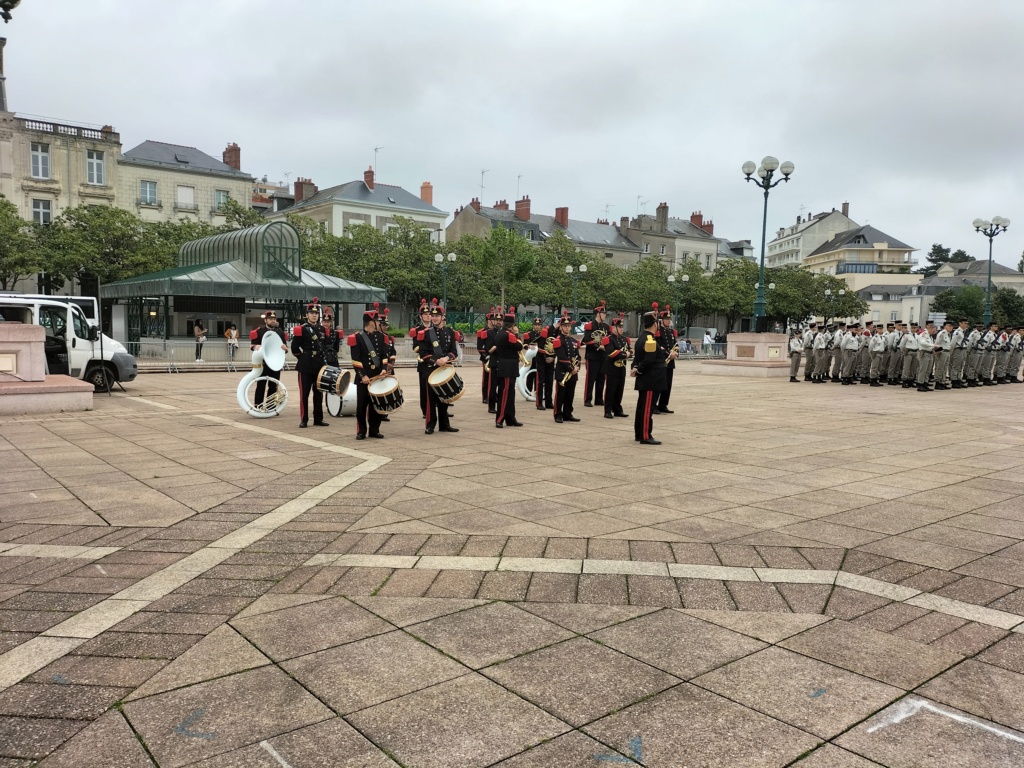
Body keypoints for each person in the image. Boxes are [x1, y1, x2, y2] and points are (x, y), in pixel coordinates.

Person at [417, 299, 460, 434]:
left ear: (443, 317)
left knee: (445, 397)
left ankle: (444, 424)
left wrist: (446, 358)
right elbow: (423, 353)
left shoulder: (450, 332)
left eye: (437, 316)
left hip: (444, 368)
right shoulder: (425, 333)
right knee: (431, 399)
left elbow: (454, 351)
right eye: (433, 316)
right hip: (430, 369)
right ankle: (430, 425)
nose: (434, 318)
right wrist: (436, 361)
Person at [348, 304, 386, 440]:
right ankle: (361, 431)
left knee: (377, 405)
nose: (379, 324)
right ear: (371, 322)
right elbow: (356, 360)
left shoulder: (381, 337)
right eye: (377, 321)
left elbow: (384, 356)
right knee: (361, 406)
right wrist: (362, 375)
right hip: (363, 378)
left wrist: (383, 369)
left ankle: (374, 430)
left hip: (377, 377)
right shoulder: (358, 338)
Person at [632, 305, 668, 445]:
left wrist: (636, 368)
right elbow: (649, 360)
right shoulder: (650, 339)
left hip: (647, 379)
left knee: (642, 408)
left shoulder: (642, 338)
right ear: (654, 324)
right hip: (651, 380)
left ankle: (639, 433)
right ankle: (645, 435)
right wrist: (639, 370)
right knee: (647, 409)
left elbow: (638, 358)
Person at [291, 299, 328, 428]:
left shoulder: (322, 329)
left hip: (319, 365)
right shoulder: (301, 329)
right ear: (306, 315)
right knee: (304, 394)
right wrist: (303, 358)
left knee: (318, 393)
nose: (314, 315)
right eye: (311, 313)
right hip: (306, 365)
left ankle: (318, 419)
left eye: (316, 313)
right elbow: (294, 348)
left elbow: (326, 346)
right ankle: (304, 419)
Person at [490, 308, 524, 428]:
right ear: (512, 325)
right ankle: (500, 418)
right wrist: (516, 334)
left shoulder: (501, 333)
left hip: (508, 367)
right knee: (505, 394)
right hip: (507, 367)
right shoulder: (509, 335)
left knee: (510, 394)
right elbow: (519, 346)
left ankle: (510, 418)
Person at [249, 311, 287, 409]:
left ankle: (271, 406)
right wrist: (256, 346)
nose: (273, 321)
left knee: (273, 385)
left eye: (274, 319)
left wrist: (285, 349)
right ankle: (258, 405)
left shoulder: (280, 332)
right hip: (263, 362)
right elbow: (252, 346)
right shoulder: (259, 331)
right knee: (261, 385)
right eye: (270, 319)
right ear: (265, 320)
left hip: (275, 363)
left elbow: (283, 348)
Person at [551, 314, 581, 423]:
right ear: (561, 327)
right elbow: (562, 357)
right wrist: (570, 368)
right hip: (563, 371)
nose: (567, 328)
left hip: (572, 372)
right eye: (565, 326)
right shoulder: (558, 340)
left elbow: (578, 356)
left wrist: (577, 367)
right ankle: (558, 414)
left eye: (569, 326)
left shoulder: (573, 340)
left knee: (570, 394)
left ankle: (567, 413)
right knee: (560, 395)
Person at [582, 301, 610, 408]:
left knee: (601, 378)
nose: (605, 315)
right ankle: (588, 399)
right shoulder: (590, 325)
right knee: (591, 378)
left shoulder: (606, 327)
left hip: (603, 356)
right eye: (603, 313)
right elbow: (587, 340)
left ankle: (599, 399)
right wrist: (599, 345)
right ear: (598, 313)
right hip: (592, 356)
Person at [601, 313, 630, 418]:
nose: (621, 329)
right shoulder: (608, 339)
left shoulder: (624, 339)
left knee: (619, 390)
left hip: (621, 367)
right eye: (619, 327)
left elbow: (630, 350)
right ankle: (607, 410)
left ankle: (617, 409)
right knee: (610, 390)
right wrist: (623, 354)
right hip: (611, 368)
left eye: (622, 327)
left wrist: (629, 353)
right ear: (613, 328)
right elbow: (611, 353)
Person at [655, 304, 678, 413]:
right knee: (659, 383)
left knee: (668, 384)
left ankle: (663, 404)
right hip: (662, 361)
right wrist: (668, 354)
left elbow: (675, 344)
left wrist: (675, 353)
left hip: (670, 362)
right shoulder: (658, 332)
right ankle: (654, 405)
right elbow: (658, 346)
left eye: (669, 319)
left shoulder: (671, 332)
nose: (668, 321)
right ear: (662, 320)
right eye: (666, 319)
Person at [949, 318, 970, 388]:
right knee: (956, 366)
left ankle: (958, 379)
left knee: (961, 366)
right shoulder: (957, 332)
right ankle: (954, 380)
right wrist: (951, 352)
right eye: (965, 323)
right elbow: (953, 343)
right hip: (958, 350)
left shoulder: (963, 332)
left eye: (967, 323)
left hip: (963, 350)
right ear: (960, 323)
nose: (966, 325)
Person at [933, 319, 953, 390]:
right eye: (949, 326)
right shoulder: (941, 334)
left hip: (947, 352)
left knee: (945, 368)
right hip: (942, 352)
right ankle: (937, 382)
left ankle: (942, 382)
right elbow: (936, 344)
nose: (951, 327)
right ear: (945, 326)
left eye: (951, 326)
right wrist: (938, 353)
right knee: (940, 368)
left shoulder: (948, 334)